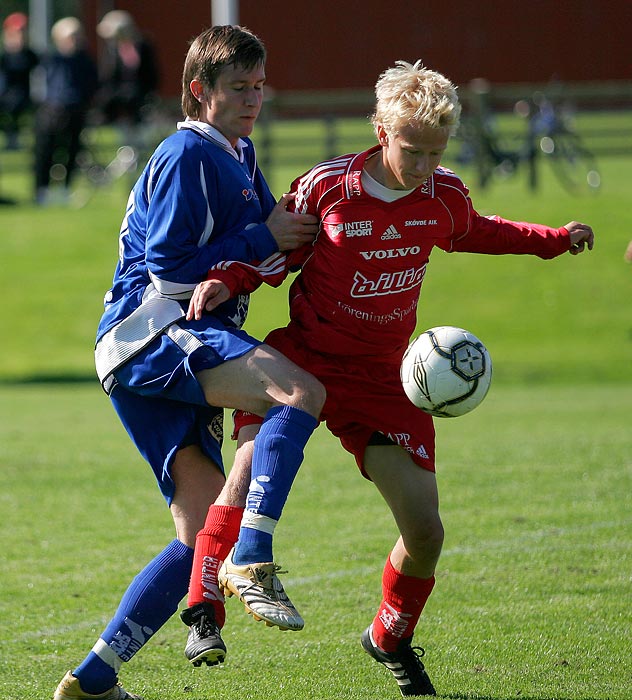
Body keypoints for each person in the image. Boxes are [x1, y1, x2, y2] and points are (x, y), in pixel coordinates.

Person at [180, 60, 595, 696]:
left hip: (387, 381)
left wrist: (553, 239)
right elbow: (276, 251)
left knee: (426, 532)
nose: (425, 165)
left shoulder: (443, 196)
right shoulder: (327, 188)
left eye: (436, 152)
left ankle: (390, 637)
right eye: (412, 150)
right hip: (305, 362)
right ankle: (203, 611)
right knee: (245, 474)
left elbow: (481, 230)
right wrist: (228, 280)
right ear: (380, 129)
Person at [53, 25, 325, 700]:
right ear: (200, 91)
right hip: (153, 334)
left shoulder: (239, 151)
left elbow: (271, 246)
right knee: (298, 392)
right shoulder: (186, 153)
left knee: (201, 533)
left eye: (260, 86)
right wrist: (265, 235)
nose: (253, 99)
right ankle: (255, 558)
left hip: (150, 350)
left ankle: (93, 680)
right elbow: (170, 267)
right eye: (238, 87)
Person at [33, 17, 97, 205]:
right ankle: (42, 190)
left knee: (72, 150)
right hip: (51, 112)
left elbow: (92, 85)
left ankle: (65, 189)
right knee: (45, 151)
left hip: (76, 111)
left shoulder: (85, 60)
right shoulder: (51, 59)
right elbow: (41, 86)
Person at [95, 10, 160, 143]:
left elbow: (151, 73)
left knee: (134, 101)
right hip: (117, 93)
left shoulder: (142, 46)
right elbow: (107, 76)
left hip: (139, 92)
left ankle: (134, 144)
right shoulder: (112, 50)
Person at [0, 11, 38, 150]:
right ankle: (10, 137)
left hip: (24, 94)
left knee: (14, 105)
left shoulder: (29, 54)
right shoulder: (5, 56)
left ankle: (14, 139)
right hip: (5, 94)